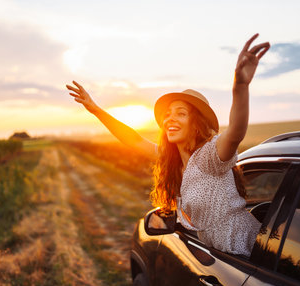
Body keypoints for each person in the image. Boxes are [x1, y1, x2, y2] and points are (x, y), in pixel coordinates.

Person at [66, 34, 270, 256]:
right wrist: (96, 110)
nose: (170, 119)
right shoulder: (172, 160)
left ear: (196, 124)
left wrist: (240, 86)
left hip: (246, 252)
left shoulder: (210, 156)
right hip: (222, 262)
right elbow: (133, 139)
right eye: (168, 114)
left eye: (180, 113)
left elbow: (235, 132)